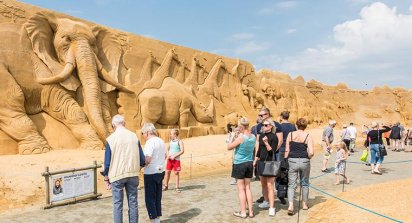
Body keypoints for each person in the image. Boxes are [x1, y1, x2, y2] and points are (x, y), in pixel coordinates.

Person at [102, 115, 146, 223]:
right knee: (133, 202)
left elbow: (107, 163)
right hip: (133, 174)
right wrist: (138, 168)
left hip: (116, 176)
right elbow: (142, 159)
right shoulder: (134, 136)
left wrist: (106, 177)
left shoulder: (110, 139)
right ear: (124, 123)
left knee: (117, 204)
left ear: (113, 126)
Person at [227, 117, 256, 218]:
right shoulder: (253, 137)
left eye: (239, 127)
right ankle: (251, 212)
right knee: (248, 188)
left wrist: (232, 136)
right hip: (249, 163)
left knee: (241, 189)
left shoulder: (241, 137)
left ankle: (243, 212)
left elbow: (229, 147)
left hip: (240, 164)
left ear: (241, 126)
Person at [253, 107, 283, 203]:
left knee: (275, 177)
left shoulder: (277, 125)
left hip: (274, 154)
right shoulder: (259, 126)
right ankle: (265, 197)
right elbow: (258, 141)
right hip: (262, 156)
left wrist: (272, 152)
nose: (260, 117)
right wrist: (257, 156)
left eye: (261, 115)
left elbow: (280, 140)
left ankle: (280, 194)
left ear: (267, 115)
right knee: (263, 180)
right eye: (259, 115)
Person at [285, 118, 314, 215]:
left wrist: (286, 160)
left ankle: (291, 205)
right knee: (305, 183)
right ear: (305, 126)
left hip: (292, 160)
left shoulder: (291, 134)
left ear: (296, 125)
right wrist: (308, 157)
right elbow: (311, 152)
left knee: (291, 185)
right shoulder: (308, 136)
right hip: (304, 161)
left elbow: (287, 150)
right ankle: (304, 204)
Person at [254, 118, 279, 217]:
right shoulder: (261, 136)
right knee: (263, 183)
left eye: (266, 125)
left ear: (271, 126)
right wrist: (255, 159)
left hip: (270, 163)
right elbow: (259, 150)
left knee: (270, 185)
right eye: (263, 125)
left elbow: (272, 151)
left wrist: (266, 143)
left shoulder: (274, 137)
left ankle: (272, 207)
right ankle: (266, 201)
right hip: (261, 162)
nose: (264, 127)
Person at [142, 123, 166, 223]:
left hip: (151, 173)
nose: (143, 135)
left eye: (143, 133)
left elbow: (147, 159)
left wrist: (140, 165)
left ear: (147, 132)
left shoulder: (150, 142)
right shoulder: (161, 141)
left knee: (150, 198)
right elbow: (165, 156)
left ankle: (153, 220)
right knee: (157, 196)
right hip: (160, 171)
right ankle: (157, 220)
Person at [277, 111, 296, 205]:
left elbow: (278, 139)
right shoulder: (293, 126)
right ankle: (288, 192)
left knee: (281, 171)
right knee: (290, 171)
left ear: (281, 117)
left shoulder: (279, 126)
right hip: (291, 149)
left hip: (282, 150)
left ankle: (281, 192)